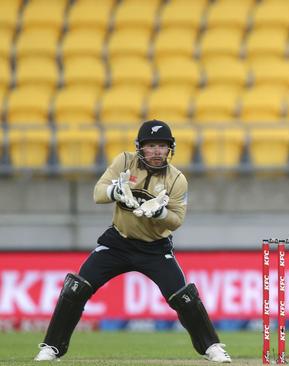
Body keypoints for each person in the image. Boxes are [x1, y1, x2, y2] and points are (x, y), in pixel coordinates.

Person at [34, 120, 231, 363]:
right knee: (77, 287)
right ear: (140, 147)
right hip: (118, 242)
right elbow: (98, 193)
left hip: (155, 248)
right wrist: (115, 192)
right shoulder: (125, 162)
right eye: (151, 146)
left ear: (170, 148)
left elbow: (177, 220)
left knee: (184, 296)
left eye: (162, 146)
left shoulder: (176, 179)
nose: (157, 151)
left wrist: (159, 214)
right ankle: (51, 347)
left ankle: (212, 347)